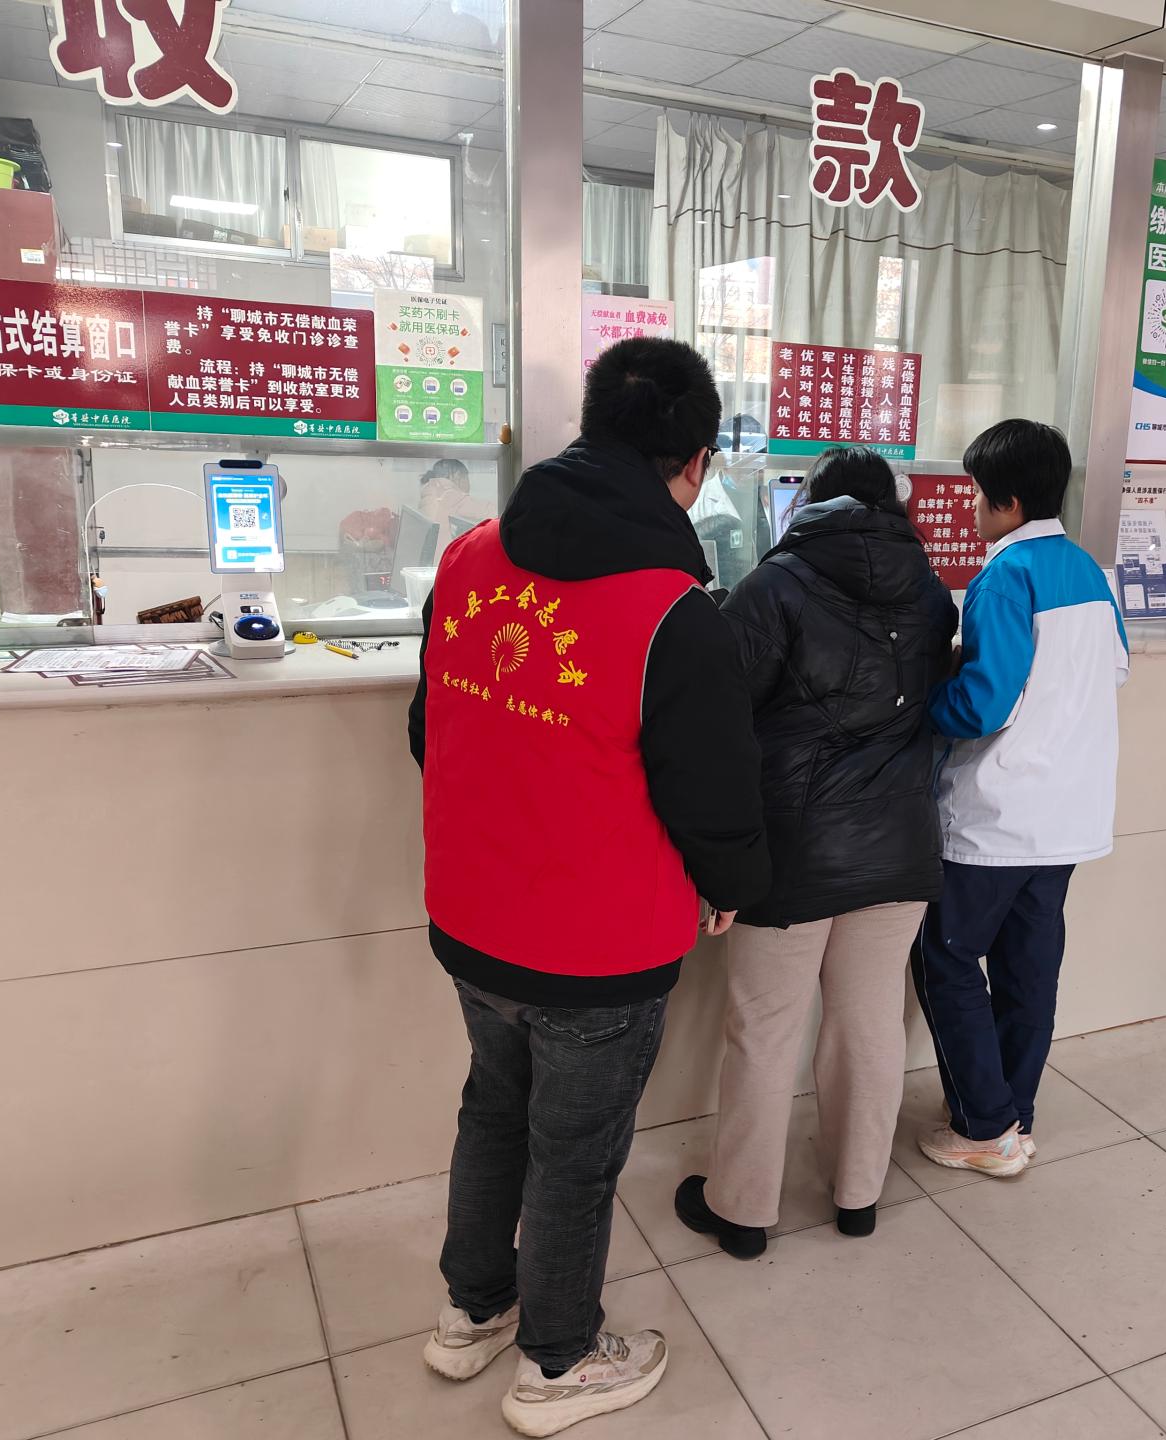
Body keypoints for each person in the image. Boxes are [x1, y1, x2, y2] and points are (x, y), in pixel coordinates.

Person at [406, 337, 769, 1436]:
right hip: (598, 945)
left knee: (492, 1109)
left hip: (471, 914)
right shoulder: (674, 613)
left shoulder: (469, 557)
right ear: (695, 463)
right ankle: (558, 1363)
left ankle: (473, 1311)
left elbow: (429, 727)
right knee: (574, 1154)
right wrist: (733, 884)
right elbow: (714, 793)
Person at [672, 447, 958, 1259]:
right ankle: (857, 1194)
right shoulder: (930, 591)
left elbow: (721, 705)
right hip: (898, 846)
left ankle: (743, 1212)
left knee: (765, 1031)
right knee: (870, 1024)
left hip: (792, 852)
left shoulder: (777, 584)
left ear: (811, 504)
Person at [911, 419, 1128, 1178]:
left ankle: (985, 1127)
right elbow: (1116, 668)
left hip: (999, 818)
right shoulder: (1087, 569)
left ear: (1005, 502)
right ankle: (1012, 1115)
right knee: (1028, 969)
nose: (969, 507)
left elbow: (982, 705)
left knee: (944, 959)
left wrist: (920, 706)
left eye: (975, 493)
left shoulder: (1005, 574)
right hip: (1070, 815)